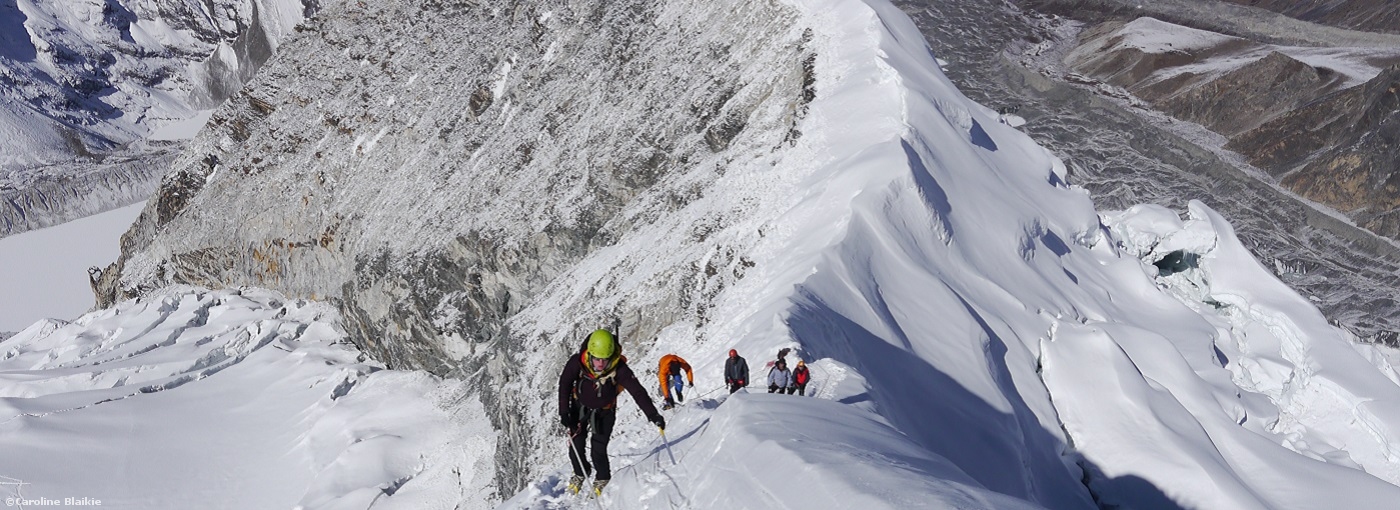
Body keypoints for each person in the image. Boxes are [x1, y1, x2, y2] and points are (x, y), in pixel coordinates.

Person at [559, 329, 665, 496]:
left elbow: (637, 391)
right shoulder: (577, 362)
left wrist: (652, 414)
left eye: (605, 359)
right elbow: (564, 383)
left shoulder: (619, 368)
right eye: (597, 359)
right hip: (578, 408)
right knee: (575, 446)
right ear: (590, 354)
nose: (600, 364)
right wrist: (564, 411)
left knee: (598, 449)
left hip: (604, 412)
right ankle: (580, 471)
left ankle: (603, 477)